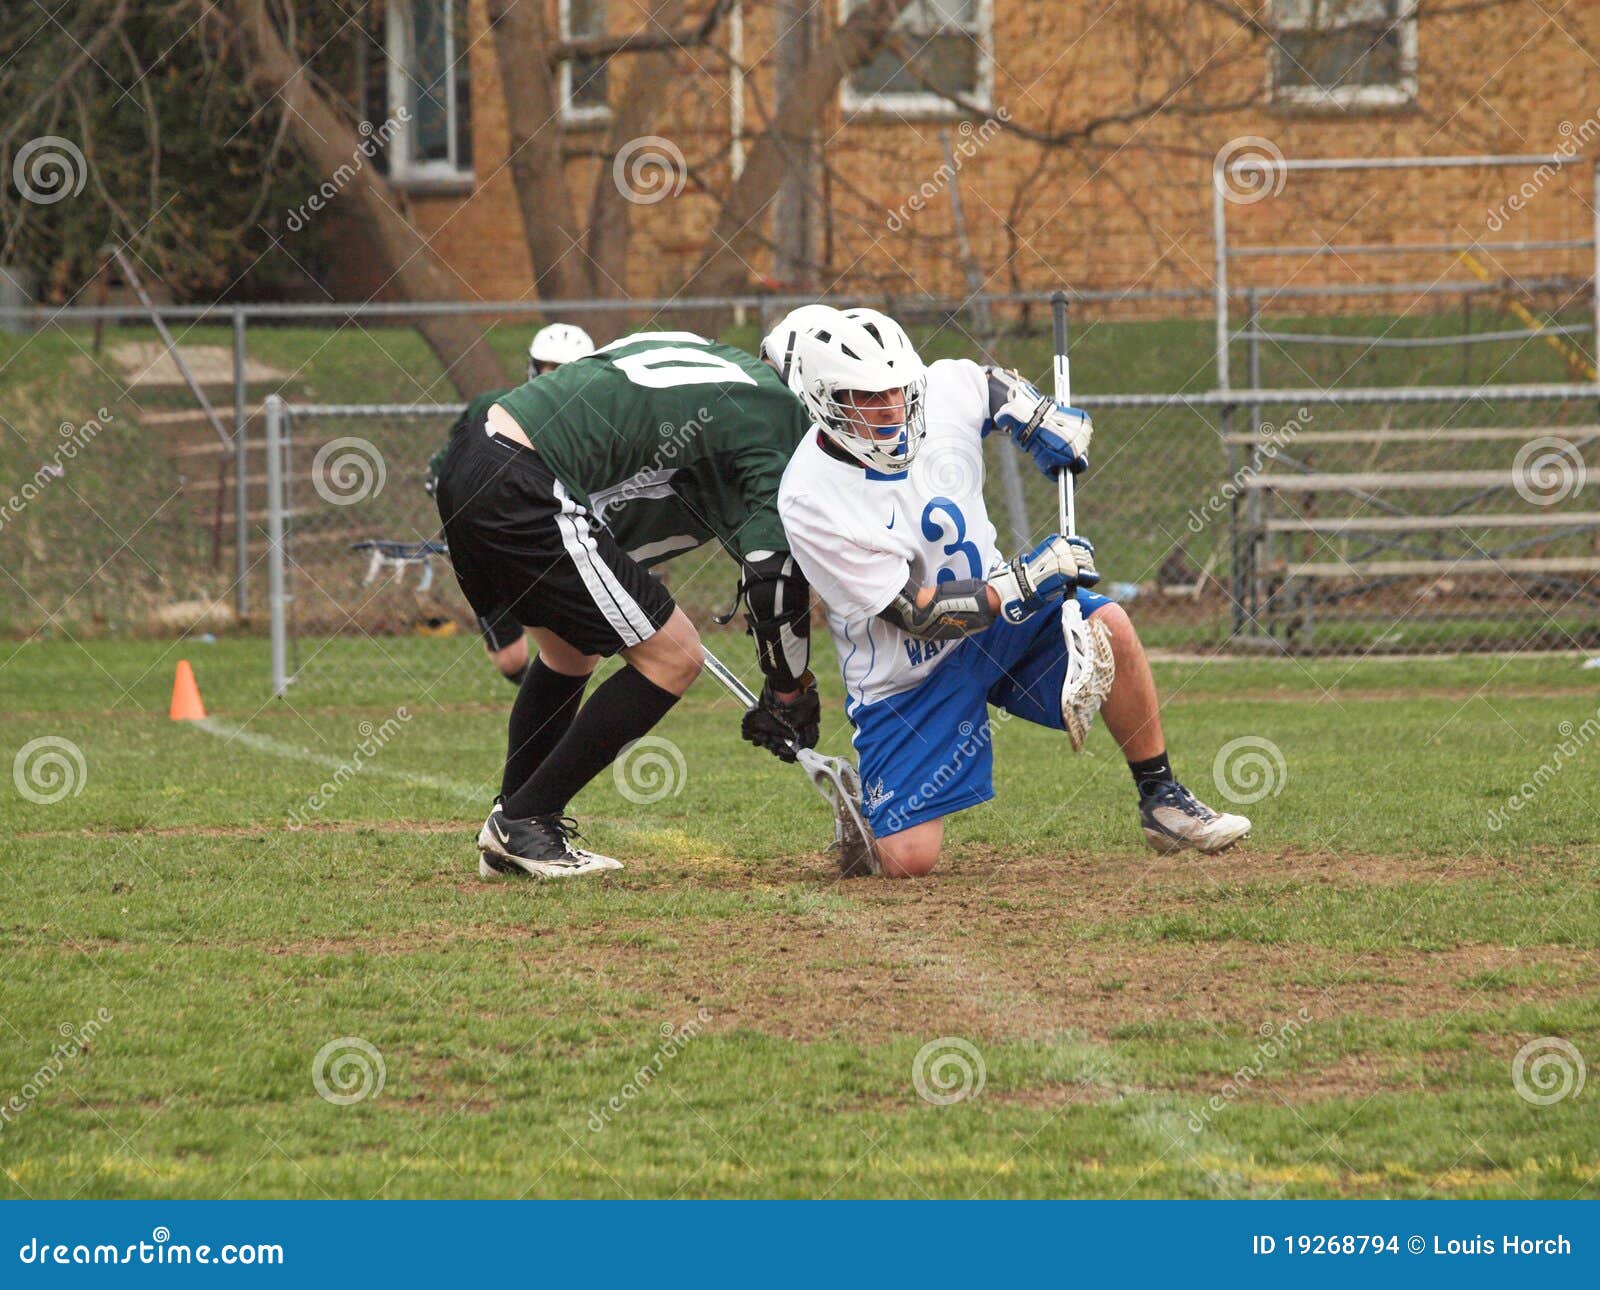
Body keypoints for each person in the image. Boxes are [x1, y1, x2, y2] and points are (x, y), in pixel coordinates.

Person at [774, 307, 1252, 878]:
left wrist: (1036, 416)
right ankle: (865, 814)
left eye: (899, 390)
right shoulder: (809, 498)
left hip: (1000, 628)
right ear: (824, 402)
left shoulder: (935, 392)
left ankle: (1163, 799)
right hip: (907, 677)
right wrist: (1025, 579)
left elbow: (987, 385)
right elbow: (915, 615)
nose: (893, 409)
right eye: (868, 398)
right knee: (907, 862)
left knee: (1110, 629)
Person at [433, 331, 819, 880]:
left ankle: (512, 819)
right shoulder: (777, 417)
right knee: (675, 656)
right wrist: (789, 690)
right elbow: (770, 574)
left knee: (570, 653)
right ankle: (525, 822)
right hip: (527, 475)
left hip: (478, 455)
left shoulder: (715, 363)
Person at [424, 324, 597, 683]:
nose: (555, 379)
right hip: (491, 540)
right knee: (510, 659)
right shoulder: (493, 407)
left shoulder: (593, 424)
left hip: (553, 543)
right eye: (548, 368)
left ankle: (555, 712)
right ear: (533, 368)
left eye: (566, 370)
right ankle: (541, 705)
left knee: (574, 645)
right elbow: (445, 467)